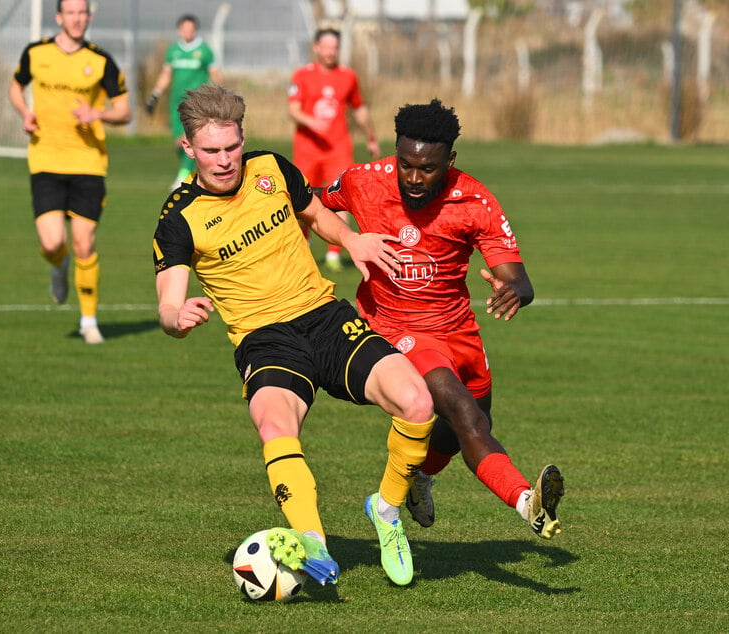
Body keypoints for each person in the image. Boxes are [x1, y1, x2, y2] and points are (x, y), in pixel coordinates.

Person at [151, 83, 435, 587]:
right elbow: (168, 305)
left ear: (243, 138)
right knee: (274, 424)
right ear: (188, 148)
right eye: (211, 151)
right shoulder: (179, 218)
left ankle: (388, 512)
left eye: (232, 146)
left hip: (324, 317)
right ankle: (313, 544)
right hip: (264, 338)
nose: (224, 160)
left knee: (416, 401)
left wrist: (350, 238)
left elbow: (316, 214)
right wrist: (178, 317)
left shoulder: (271, 168)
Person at [320, 99, 565, 540]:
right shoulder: (363, 181)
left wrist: (515, 292)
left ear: (449, 161)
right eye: (406, 164)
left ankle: (418, 478)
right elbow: (311, 205)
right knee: (464, 414)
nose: (414, 178)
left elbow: (519, 279)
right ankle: (528, 502)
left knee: (464, 431)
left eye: (427, 168)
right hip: (397, 329)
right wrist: (348, 238)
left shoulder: (474, 199)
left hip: (457, 329)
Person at [8, 0, 131, 344]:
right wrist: (24, 113)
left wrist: (98, 114)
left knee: (84, 242)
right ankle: (58, 266)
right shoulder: (36, 53)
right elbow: (15, 86)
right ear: (59, 17)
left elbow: (124, 110)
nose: (77, 19)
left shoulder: (101, 60)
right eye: (71, 13)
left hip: (88, 163)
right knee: (52, 243)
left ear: (88, 17)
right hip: (45, 160)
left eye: (83, 13)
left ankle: (89, 321)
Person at [288, 27, 380, 273]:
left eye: (334, 48)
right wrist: (311, 122)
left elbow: (359, 109)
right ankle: (303, 246)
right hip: (307, 149)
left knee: (341, 197)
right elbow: (293, 110)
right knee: (301, 199)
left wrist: (371, 137)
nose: (330, 52)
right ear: (316, 48)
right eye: (326, 47)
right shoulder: (301, 76)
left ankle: (334, 253)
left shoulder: (348, 76)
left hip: (338, 149)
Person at [144, 14, 222, 187]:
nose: (188, 31)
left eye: (191, 28)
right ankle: (197, 173)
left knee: (191, 139)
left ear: (195, 30)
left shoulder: (204, 51)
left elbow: (215, 74)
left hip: (197, 103)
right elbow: (166, 74)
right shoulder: (173, 51)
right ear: (180, 30)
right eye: (185, 28)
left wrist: (220, 95)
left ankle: (183, 176)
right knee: (179, 143)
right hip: (176, 103)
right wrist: (155, 95)